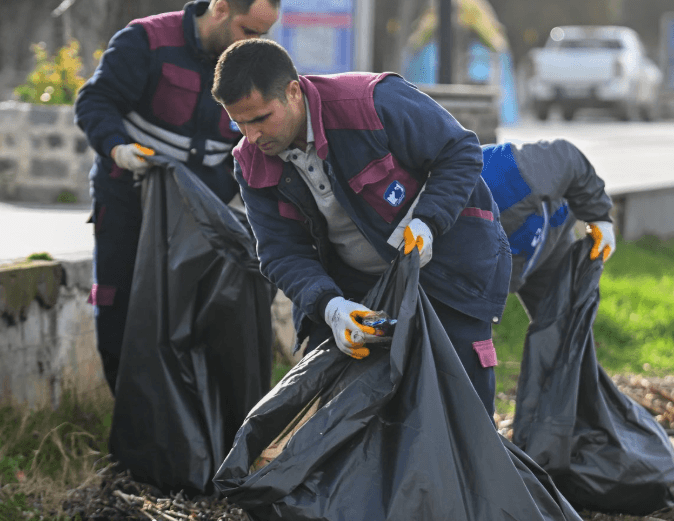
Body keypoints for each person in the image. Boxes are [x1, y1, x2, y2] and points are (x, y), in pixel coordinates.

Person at [211, 39, 512, 417]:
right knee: (340, 414)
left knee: (459, 405)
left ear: (293, 92)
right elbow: (281, 252)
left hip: (447, 267)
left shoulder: (371, 103)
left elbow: (460, 151)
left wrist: (428, 222)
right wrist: (331, 307)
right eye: (238, 123)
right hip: (355, 287)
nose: (251, 135)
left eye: (260, 118)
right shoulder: (251, 162)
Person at [74, 0, 281, 394]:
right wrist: (117, 149)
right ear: (220, 10)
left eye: (261, 35)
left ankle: (194, 421)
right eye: (247, 31)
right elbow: (95, 101)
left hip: (203, 214)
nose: (252, 43)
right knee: (120, 306)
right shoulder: (147, 41)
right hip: (130, 198)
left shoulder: (246, 66)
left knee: (197, 316)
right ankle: (133, 419)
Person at [480, 140, 615, 320]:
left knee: (565, 321)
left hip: (551, 235)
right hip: (511, 261)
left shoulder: (499, 172)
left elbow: (568, 161)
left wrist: (600, 216)